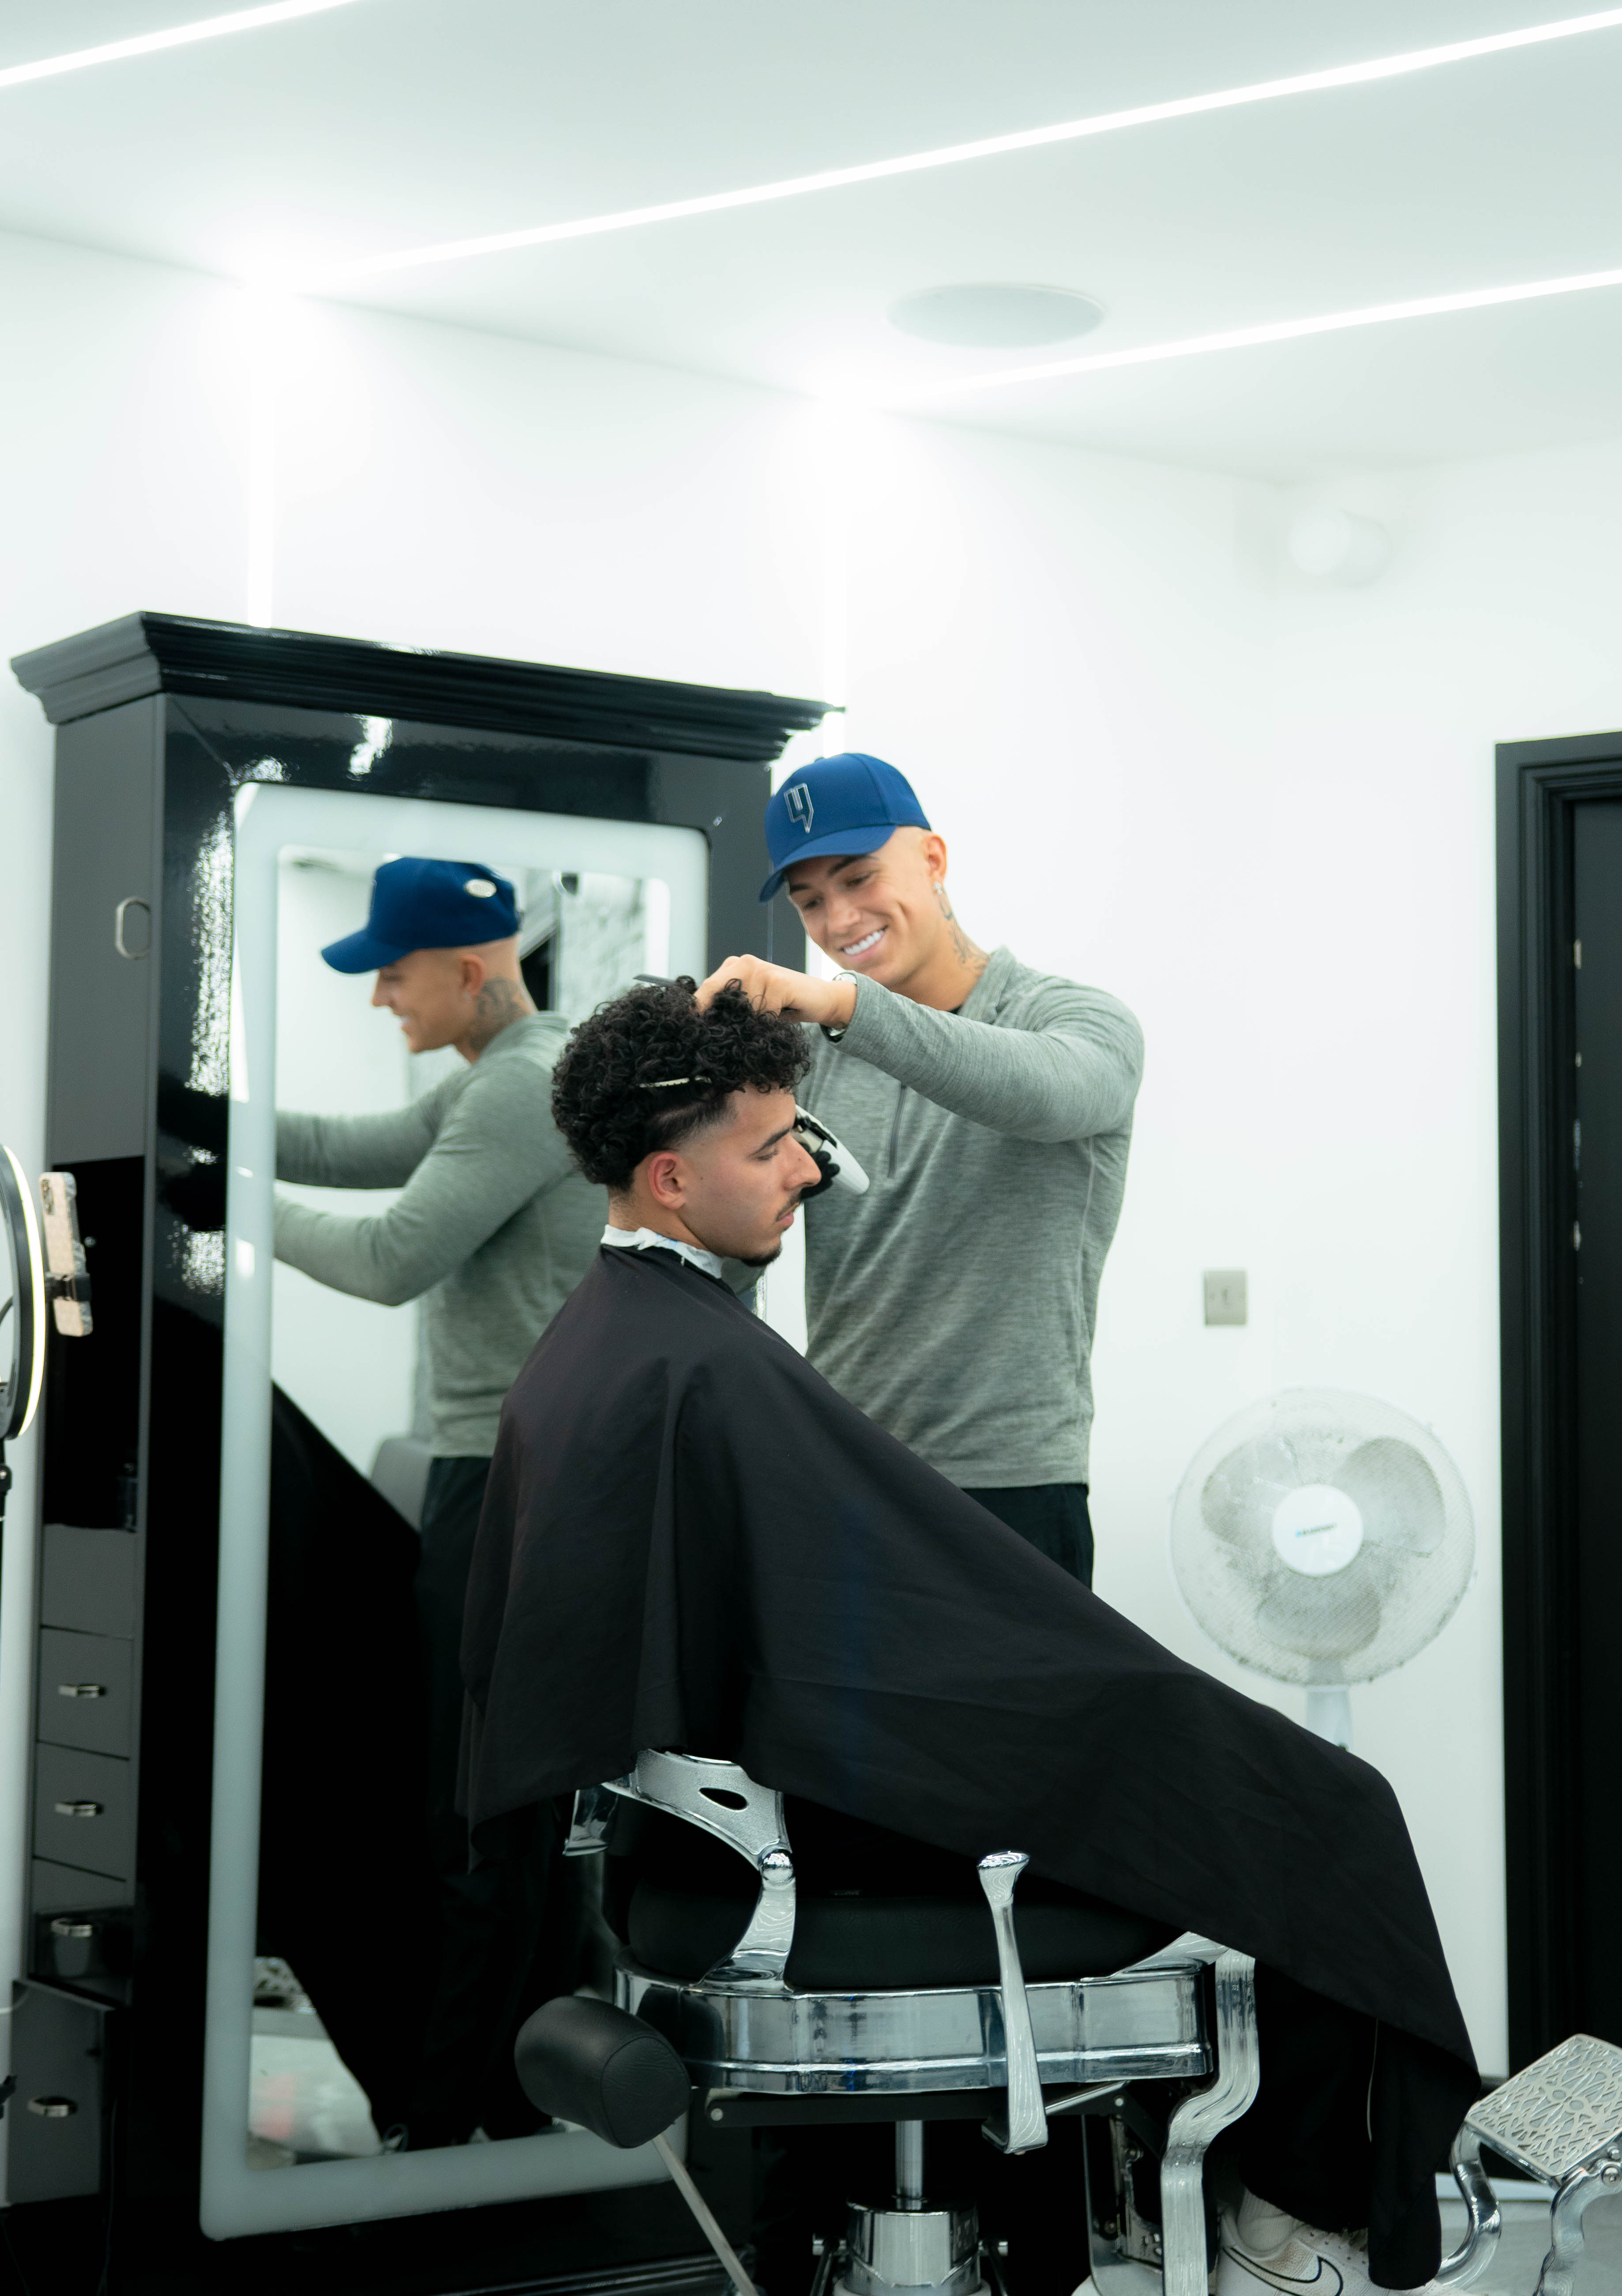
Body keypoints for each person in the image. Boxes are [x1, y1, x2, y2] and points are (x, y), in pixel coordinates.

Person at [461, 980, 1478, 2296]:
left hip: (722, 1828)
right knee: (1326, 1811)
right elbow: (882, 1641)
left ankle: (1257, 2196)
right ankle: (1289, 2215)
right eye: (770, 1146)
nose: (803, 1173)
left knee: (1254, 1796)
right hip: (804, 1844)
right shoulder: (692, 1360)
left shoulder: (617, 1342)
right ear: (667, 1177)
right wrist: (1109, 1698)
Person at [274, 855, 604, 2145]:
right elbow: (364, 1150)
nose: (378, 1002)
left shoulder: (524, 1087)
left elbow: (393, 1256)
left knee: (481, 1819)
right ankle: (506, 2102)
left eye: (392, 976)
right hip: (505, 1468)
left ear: (470, 969)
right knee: (490, 1810)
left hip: (510, 1477)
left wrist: (234, 1208)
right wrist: (208, 1116)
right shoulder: (513, 1070)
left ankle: (446, 2114)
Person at [693, 751, 1141, 1586]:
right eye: (811, 901)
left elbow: (1047, 1095)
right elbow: (725, 1241)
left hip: (1010, 1491)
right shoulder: (809, 1056)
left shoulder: (1074, 1020)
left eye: (860, 878)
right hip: (843, 1477)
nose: (839, 920)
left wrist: (840, 1004)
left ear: (933, 859)